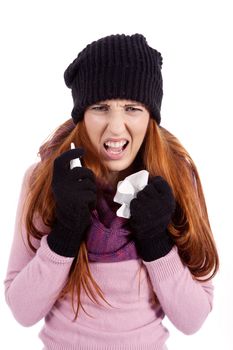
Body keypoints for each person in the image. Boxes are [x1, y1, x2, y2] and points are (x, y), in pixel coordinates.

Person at [4, 33, 219, 350]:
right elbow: (22, 311)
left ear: (151, 116)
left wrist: (156, 242)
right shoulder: (45, 179)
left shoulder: (178, 179)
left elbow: (193, 320)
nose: (116, 127)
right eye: (100, 107)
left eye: (132, 108)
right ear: (80, 114)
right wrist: (66, 231)